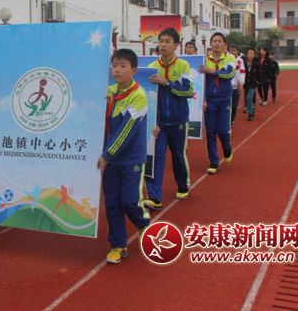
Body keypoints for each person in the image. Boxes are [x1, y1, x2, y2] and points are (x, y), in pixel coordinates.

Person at [97, 49, 150, 264]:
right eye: (115, 65)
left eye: (123, 66)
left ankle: (143, 222)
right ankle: (118, 245)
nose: (117, 70)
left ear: (134, 70)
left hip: (131, 159)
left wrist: (107, 155)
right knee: (112, 203)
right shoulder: (108, 92)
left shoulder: (138, 97)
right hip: (110, 159)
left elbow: (126, 131)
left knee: (129, 201)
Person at [143, 28, 194, 212]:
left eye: (167, 41)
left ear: (176, 45)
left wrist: (166, 83)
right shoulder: (150, 68)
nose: (163, 45)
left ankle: (183, 184)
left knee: (178, 155)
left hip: (178, 120)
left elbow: (188, 91)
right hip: (159, 124)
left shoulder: (183, 66)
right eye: (161, 41)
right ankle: (154, 197)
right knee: (155, 158)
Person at [199, 33, 235, 174]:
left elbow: (228, 74)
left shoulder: (230, 58)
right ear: (211, 44)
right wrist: (202, 99)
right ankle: (213, 162)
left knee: (223, 130)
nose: (217, 43)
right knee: (210, 132)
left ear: (224, 44)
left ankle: (227, 148)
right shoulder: (204, 59)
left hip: (224, 98)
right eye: (214, 41)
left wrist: (211, 71)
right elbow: (200, 80)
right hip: (209, 100)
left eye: (219, 41)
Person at [229, 45, 245, 126]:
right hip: (227, 86)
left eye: (234, 50)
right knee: (227, 105)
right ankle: (226, 120)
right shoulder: (226, 59)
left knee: (234, 105)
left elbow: (242, 72)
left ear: (237, 51)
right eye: (231, 50)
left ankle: (232, 120)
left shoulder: (240, 60)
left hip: (235, 87)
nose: (232, 52)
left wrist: (241, 83)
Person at [243, 48, 259, 121]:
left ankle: (251, 113)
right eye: (249, 53)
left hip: (253, 83)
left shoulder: (256, 64)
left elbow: (259, 73)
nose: (251, 55)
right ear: (246, 54)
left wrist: (258, 81)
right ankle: (250, 109)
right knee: (248, 98)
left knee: (249, 98)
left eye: (252, 53)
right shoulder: (243, 63)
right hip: (245, 83)